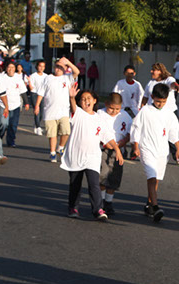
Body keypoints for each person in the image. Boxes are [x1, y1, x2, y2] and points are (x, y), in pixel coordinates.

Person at [62, 86, 122, 221]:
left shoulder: (99, 118)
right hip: (76, 155)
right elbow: (73, 107)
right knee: (75, 184)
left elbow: (107, 136)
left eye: (89, 98)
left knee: (94, 183)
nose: (86, 101)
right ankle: (73, 207)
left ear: (95, 101)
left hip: (93, 156)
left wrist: (117, 149)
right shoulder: (77, 113)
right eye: (82, 99)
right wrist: (72, 97)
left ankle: (98, 210)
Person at [131, 83, 179, 223]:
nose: (160, 104)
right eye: (158, 101)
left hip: (162, 151)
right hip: (147, 149)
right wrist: (135, 146)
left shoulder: (169, 114)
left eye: (163, 101)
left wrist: (178, 149)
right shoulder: (145, 111)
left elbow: (174, 133)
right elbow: (136, 129)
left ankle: (149, 204)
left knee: (156, 179)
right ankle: (155, 206)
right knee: (152, 177)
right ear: (153, 97)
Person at [35, 57, 79, 162]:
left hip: (64, 111)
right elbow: (41, 93)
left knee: (66, 132)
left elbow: (77, 71)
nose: (58, 69)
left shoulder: (67, 78)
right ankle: (52, 153)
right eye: (57, 66)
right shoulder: (48, 78)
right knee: (52, 134)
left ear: (65, 69)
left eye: (61, 67)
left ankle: (60, 147)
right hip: (49, 112)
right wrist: (37, 105)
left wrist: (68, 62)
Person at [97, 93, 131, 216]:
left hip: (119, 151)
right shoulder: (100, 114)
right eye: (111, 108)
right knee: (103, 175)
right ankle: (100, 201)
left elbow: (129, 133)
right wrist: (104, 143)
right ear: (106, 104)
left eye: (117, 108)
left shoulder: (125, 115)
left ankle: (109, 202)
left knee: (114, 177)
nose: (114, 111)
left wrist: (124, 142)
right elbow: (97, 131)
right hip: (104, 149)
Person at [0, 61, 29, 147]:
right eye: (9, 67)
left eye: (12, 67)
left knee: (13, 125)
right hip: (3, 105)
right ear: (6, 68)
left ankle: (11, 141)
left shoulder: (18, 78)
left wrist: (26, 103)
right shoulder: (1, 77)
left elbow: (23, 91)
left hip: (15, 105)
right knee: (3, 123)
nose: (11, 69)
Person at [29, 61, 47, 135]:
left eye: (43, 66)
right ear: (37, 66)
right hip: (35, 94)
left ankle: (36, 124)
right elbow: (31, 87)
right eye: (40, 66)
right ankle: (38, 127)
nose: (41, 68)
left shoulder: (46, 76)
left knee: (42, 112)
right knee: (37, 110)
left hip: (43, 95)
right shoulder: (33, 76)